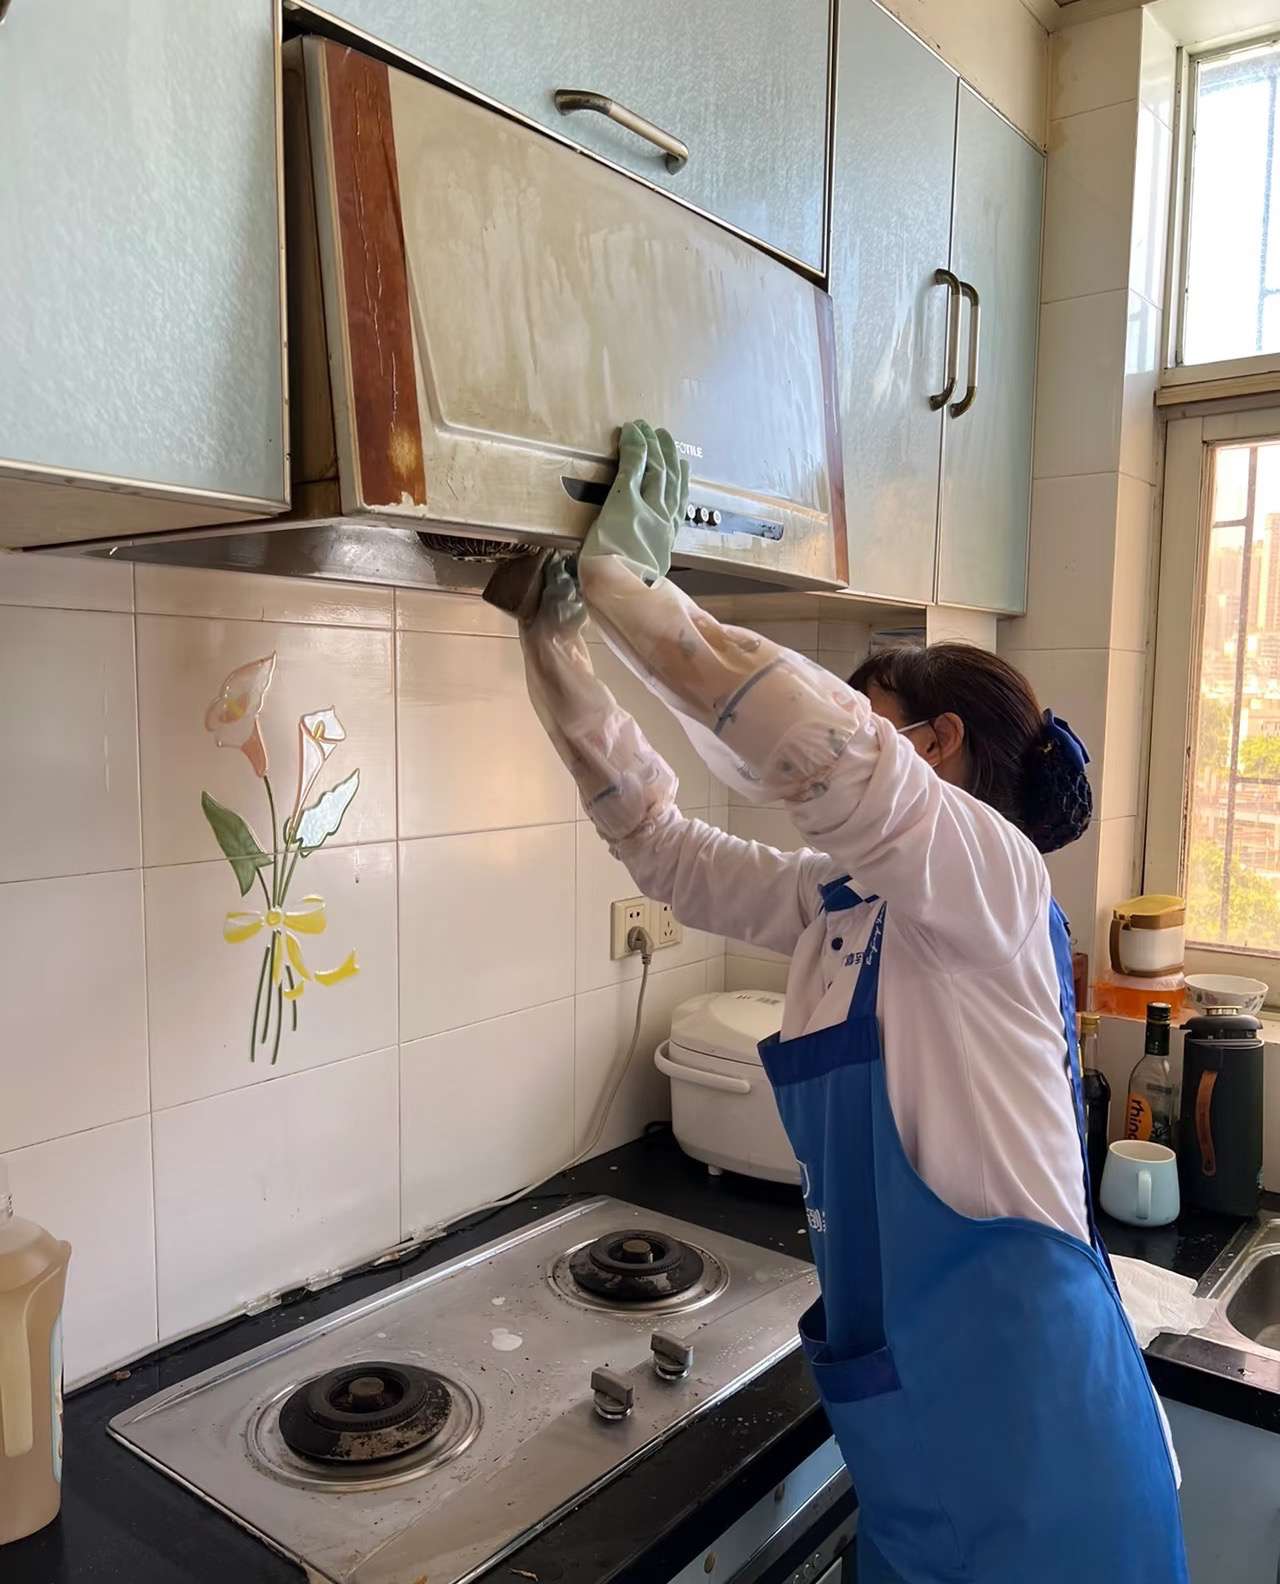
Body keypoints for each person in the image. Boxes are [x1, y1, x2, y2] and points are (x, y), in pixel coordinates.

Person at [519, 421, 1188, 1583]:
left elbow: (823, 757)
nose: (833, 733)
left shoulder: (992, 878)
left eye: (863, 708)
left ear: (934, 746)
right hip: (921, 1470)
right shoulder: (846, 909)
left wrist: (631, 590)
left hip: (1051, 1486)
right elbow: (670, 852)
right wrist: (561, 662)